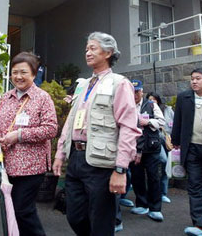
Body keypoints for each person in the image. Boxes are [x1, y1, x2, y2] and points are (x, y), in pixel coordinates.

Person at [52, 32, 141, 236]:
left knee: (101, 221)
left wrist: (120, 169)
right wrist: (60, 154)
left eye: (93, 48)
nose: (87, 52)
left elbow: (128, 127)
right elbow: (71, 121)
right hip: (76, 158)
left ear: (108, 52)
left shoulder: (119, 83)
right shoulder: (84, 85)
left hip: (101, 162)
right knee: (75, 216)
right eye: (86, 49)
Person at [0, 52, 58, 236]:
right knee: (11, 211)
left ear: (34, 74)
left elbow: (51, 129)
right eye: (14, 72)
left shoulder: (42, 97)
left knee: (23, 210)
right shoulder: (6, 97)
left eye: (23, 72)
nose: (18, 77)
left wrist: (19, 135)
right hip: (7, 164)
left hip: (31, 167)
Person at [171, 68, 202, 236]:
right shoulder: (184, 97)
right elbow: (178, 120)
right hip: (190, 148)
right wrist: (175, 140)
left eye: (198, 78)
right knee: (195, 185)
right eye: (192, 79)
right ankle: (199, 224)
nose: (194, 81)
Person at [130, 81, 166, 222]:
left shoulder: (151, 105)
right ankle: (141, 203)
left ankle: (155, 208)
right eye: (132, 92)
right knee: (136, 177)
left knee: (153, 177)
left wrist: (149, 122)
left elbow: (161, 121)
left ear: (142, 92)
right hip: (133, 147)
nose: (135, 95)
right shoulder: (127, 105)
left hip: (151, 148)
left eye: (137, 92)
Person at [146, 92, 171, 204]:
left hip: (167, 140)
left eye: (154, 99)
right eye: (150, 99)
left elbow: (171, 122)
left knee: (166, 164)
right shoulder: (146, 109)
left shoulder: (167, 109)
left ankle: (163, 192)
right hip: (155, 141)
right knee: (163, 161)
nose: (152, 101)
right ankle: (155, 193)